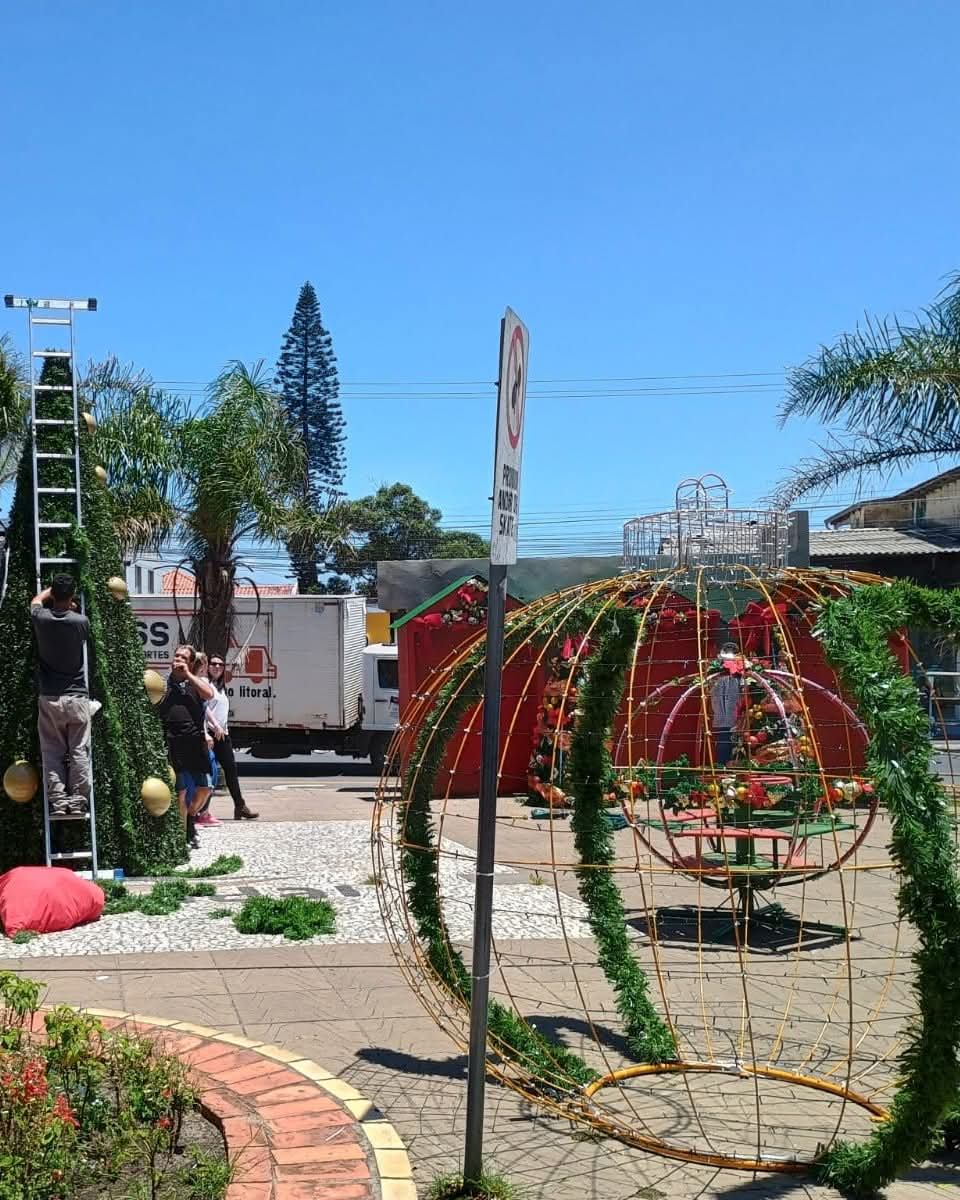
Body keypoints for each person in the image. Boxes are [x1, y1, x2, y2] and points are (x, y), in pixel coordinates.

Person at [30, 574, 91, 816]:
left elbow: (35, 601)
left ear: (54, 594)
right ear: (73, 596)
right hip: (76, 696)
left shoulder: (41, 618)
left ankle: (59, 802)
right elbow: (78, 628)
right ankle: (77, 802)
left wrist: (49, 591)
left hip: (50, 697)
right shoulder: (80, 621)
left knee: (52, 751)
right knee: (79, 750)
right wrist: (70, 604)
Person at [156, 644, 215, 849]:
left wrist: (188, 675)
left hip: (195, 741)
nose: (178, 660)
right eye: (176, 656)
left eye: (183, 658)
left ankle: (190, 819)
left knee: (205, 788)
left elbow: (209, 695)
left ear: (190, 663)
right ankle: (183, 838)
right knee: (180, 792)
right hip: (173, 742)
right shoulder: (163, 683)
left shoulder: (196, 682)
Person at [206, 654, 259, 820]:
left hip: (222, 735)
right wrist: (212, 728)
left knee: (231, 771)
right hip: (210, 734)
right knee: (209, 772)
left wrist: (224, 728)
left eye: (220, 665)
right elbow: (204, 709)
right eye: (213, 664)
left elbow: (221, 712)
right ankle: (200, 810)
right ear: (208, 666)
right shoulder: (205, 684)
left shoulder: (220, 687)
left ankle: (240, 806)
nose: (216, 667)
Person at [710, 642, 743, 767]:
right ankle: (723, 770)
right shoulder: (716, 674)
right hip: (722, 720)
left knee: (737, 748)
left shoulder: (740, 674)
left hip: (737, 720)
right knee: (723, 746)